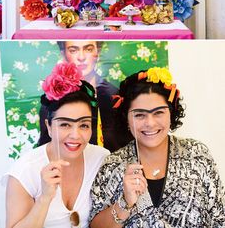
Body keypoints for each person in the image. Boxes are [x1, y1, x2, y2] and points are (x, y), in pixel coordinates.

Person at [90, 67, 225, 228]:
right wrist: (124, 202)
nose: (150, 123)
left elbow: (219, 217)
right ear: (126, 118)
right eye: (139, 115)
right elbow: (95, 226)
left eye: (158, 113)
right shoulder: (113, 165)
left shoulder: (197, 155)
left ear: (171, 113)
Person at [6, 61, 109, 228]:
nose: (75, 135)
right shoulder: (25, 170)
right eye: (65, 124)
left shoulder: (101, 159)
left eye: (84, 125)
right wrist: (44, 198)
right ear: (49, 126)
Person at [57, 41, 119, 152]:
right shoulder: (55, 97)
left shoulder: (114, 95)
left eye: (88, 49)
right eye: (73, 50)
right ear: (63, 54)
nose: (81, 57)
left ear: (98, 52)